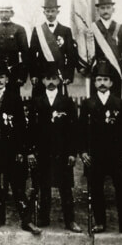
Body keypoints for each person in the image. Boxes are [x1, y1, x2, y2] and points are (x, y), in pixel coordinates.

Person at [0, 60, 40, 234]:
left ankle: (26, 220)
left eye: (2, 77)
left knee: (17, 185)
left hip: (11, 151)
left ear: (6, 79)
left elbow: (21, 127)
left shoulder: (14, 99)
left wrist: (22, 150)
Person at [79, 61, 122, 238]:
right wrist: (83, 151)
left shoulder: (120, 104)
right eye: (99, 80)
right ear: (94, 83)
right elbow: (81, 130)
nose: (102, 83)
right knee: (97, 189)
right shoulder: (87, 104)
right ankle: (100, 222)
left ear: (111, 83)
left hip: (117, 155)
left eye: (106, 79)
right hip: (95, 155)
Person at [27, 62, 81, 232]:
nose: (50, 82)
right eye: (47, 78)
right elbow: (30, 130)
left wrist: (72, 152)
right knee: (44, 186)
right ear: (42, 81)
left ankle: (70, 221)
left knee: (65, 187)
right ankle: (44, 218)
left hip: (62, 151)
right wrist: (30, 151)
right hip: (42, 151)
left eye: (54, 79)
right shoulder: (36, 102)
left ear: (59, 81)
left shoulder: (67, 102)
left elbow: (74, 129)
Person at [28, 0, 77, 98]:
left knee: (60, 103)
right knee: (40, 102)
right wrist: (34, 75)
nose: (50, 14)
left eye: (52, 11)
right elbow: (32, 56)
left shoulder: (65, 30)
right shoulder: (38, 30)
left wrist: (68, 75)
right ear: (44, 12)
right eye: (47, 11)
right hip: (42, 74)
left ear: (57, 12)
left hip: (59, 74)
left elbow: (71, 55)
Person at [90, 0, 122, 98]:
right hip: (98, 71)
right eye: (102, 8)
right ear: (97, 10)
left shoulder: (120, 28)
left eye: (108, 7)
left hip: (116, 71)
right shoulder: (92, 28)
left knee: (116, 100)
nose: (105, 11)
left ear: (113, 9)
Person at [0, 4, 29, 96]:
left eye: (6, 12)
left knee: (13, 100)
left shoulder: (19, 29)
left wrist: (22, 76)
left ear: (12, 13)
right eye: (1, 12)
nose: (4, 15)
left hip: (13, 72)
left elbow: (25, 54)